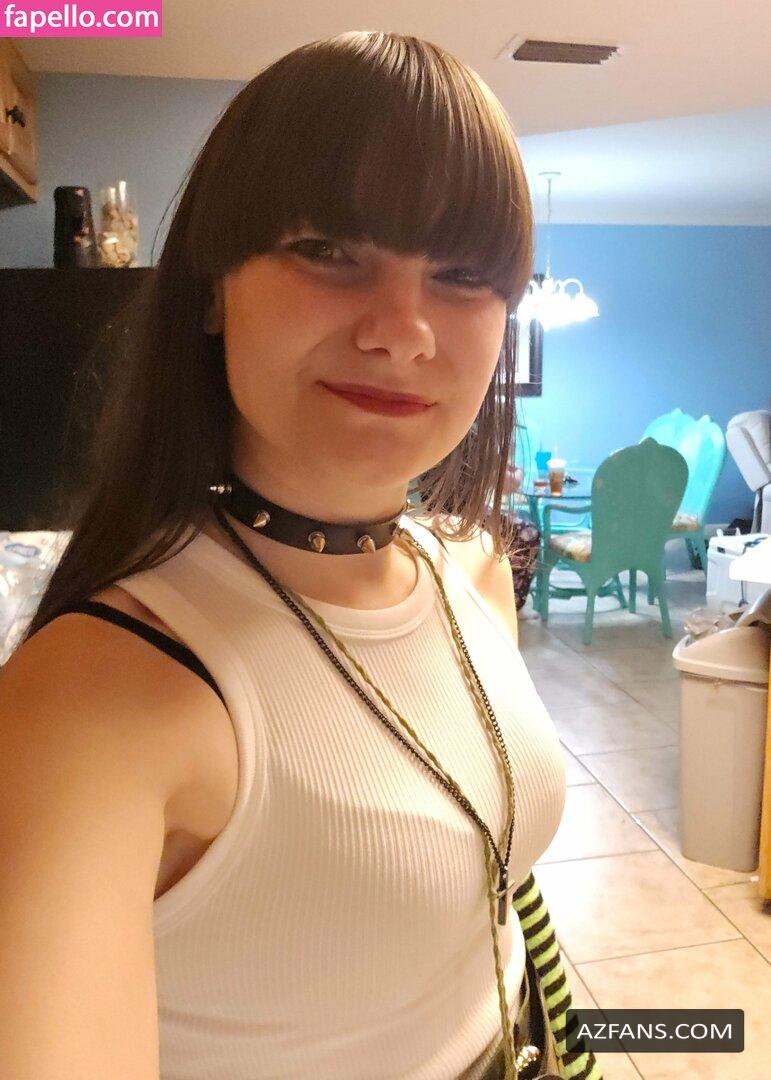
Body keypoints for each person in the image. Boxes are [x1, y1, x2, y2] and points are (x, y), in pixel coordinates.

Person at [1, 31, 600, 1080]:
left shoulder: (470, 570)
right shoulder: (93, 701)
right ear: (211, 285)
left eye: (462, 275)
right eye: (329, 250)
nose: (404, 331)